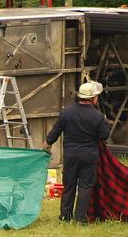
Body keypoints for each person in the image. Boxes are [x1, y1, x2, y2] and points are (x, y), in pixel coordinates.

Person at [43, 82, 109, 223]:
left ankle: (65, 217)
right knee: (85, 186)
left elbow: (54, 133)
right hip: (89, 156)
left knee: (69, 185)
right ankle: (80, 219)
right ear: (92, 99)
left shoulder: (67, 113)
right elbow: (104, 136)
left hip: (71, 155)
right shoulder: (97, 116)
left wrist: (45, 148)